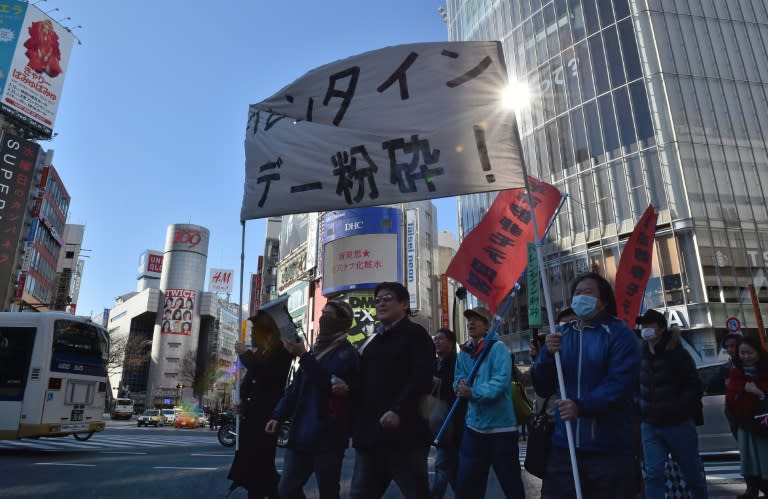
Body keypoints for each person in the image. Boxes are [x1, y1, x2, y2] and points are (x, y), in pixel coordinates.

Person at [532, 272, 641, 499]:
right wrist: (546, 356)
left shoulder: (620, 335)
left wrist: (581, 406)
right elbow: (542, 385)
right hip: (565, 447)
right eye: (577, 293)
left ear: (604, 300)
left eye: (588, 292)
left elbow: (620, 385)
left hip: (609, 449)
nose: (581, 297)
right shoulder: (561, 335)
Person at [347, 282, 435, 499]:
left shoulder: (416, 334)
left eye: (387, 298)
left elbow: (421, 378)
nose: (380, 303)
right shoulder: (373, 342)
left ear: (404, 304)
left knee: (416, 492)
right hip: (370, 437)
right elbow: (363, 384)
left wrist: (398, 410)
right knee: (360, 494)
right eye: (377, 300)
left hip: (406, 436)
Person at [265, 299, 361, 499]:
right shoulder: (314, 351)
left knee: (328, 492)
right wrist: (277, 415)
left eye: (329, 315)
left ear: (343, 321)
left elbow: (330, 386)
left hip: (328, 436)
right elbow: (294, 389)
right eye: (322, 314)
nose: (323, 319)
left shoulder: (347, 354)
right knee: (286, 490)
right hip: (300, 433)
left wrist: (304, 357)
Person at [453, 306, 525, 499]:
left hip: (501, 430)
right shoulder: (464, 352)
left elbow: (499, 383)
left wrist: (473, 392)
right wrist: (458, 386)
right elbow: (457, 378)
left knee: (511, 484)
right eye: (469, 319)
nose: (471, 323)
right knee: (468, 486)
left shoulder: (498, 348)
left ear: (487, 326)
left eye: (477, 319)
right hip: (473, 428)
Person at [636, 308, 707, 499]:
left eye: (648, 325)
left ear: (661, 328)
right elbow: (636, 385)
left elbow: (694, 386)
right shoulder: (641, 353)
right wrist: (640, 408)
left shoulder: (677, 353)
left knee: (691, 473)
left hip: (678, 423)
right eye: (643, 325)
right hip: (650, 424)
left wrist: (677, 408)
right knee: (653, 474)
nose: (644, 328)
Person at [227, 316, 293, 499]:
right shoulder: (260, 352)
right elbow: (250, 380)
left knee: (261, 464)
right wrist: (241, 400)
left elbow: (264, 374)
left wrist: (244, 354)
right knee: (255, 467)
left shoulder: (281, 350)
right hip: (252, 415)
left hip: (268, 416)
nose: (252, 332)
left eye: (257, 328)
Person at [726, 336, 768, 499]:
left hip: (763, 424)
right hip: (745, 423)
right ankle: (751, 489)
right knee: (749, 459)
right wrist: (743, 391)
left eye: (749, 352)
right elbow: (730, 399)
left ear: (758, 353)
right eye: (743, 353)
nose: (746, 356)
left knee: (764, 458)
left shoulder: (765, 371)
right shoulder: (737, 373)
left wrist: (759, 394)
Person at [430, 328, 463, 499]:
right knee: (452, 469)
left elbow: (456, 391)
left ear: (451, 344)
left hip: (453, 423)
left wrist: (440, 383)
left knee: (443, 465)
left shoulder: (457, 364)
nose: (437, 341)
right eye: (435, 339)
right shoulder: (434, 364)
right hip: (438, 422)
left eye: (441, 339)